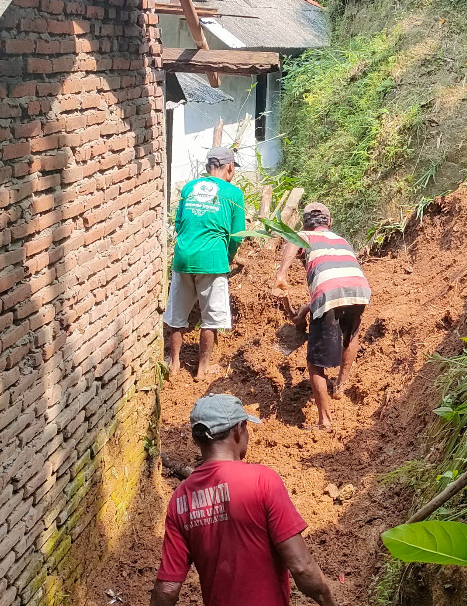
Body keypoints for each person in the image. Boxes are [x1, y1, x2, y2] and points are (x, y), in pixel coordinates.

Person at [152, 394, 337, 606]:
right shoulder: (262, 481)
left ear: (197, 439)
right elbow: (301, 567)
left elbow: (167, 588)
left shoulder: (180, 499)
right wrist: (328, 601)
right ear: (239, 429)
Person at [270, 203, 370, 430]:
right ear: (329, 222)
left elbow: (294, 242)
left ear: (305, 223)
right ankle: (340, 386)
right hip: (359, 289)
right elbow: (338, 280)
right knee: (351, 334)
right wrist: (307, 308)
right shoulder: (341, 240)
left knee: (314, 363)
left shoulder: (303, 235)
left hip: (328, 292)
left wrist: (281, 275)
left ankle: (324, 420)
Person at [166, 146, 246, 379]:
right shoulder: (233, 194)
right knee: (211, 317)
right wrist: (228, 257)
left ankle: (173, 364)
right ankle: (203, 369)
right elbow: (237, 235)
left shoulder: (189, 188)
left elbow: (179, 223)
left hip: (182, 257)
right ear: (230, 168)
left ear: (207, 167)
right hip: (212, 260)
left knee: (176, 316)